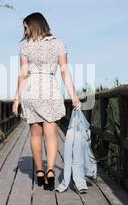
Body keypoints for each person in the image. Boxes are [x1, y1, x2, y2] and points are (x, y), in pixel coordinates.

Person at [12, 12, 81, 191]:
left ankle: (40, 172)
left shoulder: (26, 48)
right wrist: (73, 95)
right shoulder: (59, 44)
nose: (25, 32)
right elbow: (65, 71)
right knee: (51, 134)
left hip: (31, 90)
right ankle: (51, 171)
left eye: (26, 27)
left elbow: (23, 74)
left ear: (33, 26)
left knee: (35, 134)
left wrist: (16, 99)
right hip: (50, 88)